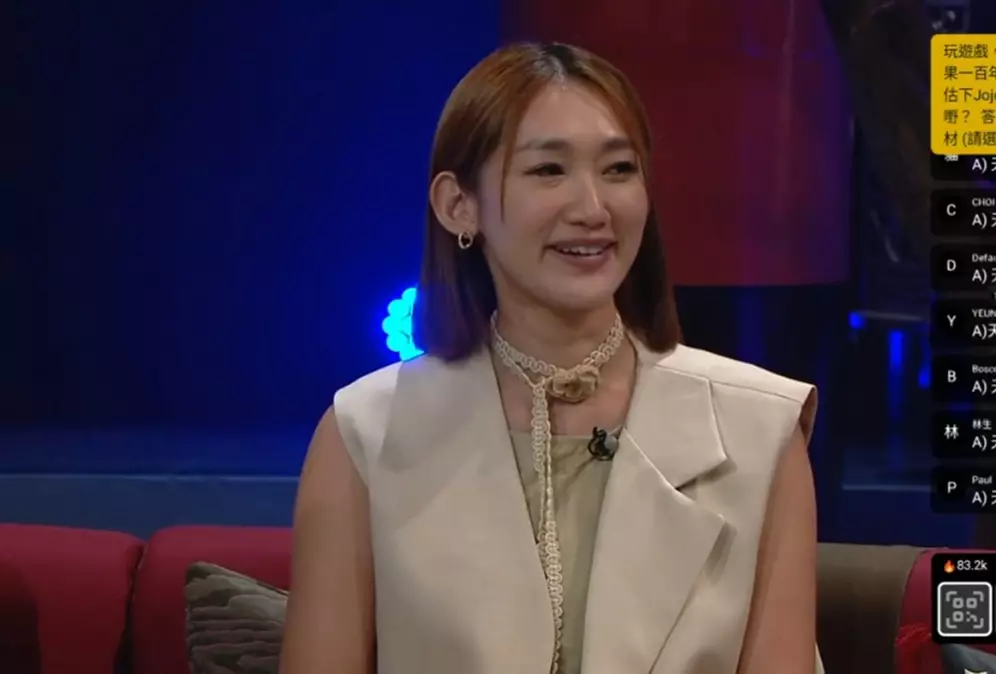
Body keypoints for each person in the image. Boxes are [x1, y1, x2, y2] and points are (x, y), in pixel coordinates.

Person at [279, 43, 820, 674]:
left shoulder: (760, 430)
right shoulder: (365, 434)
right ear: (458, 205)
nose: (592, 209)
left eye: (618, 169)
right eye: (548, 171)